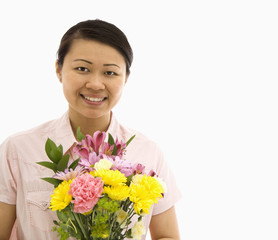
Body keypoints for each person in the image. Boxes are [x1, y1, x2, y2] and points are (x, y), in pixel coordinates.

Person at [0, 19, 181, 240]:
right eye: (82, 69)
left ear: (126, 78)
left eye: (110, 73)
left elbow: (167, 236)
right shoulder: (19, 150)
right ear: (58, 70)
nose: (95, 84)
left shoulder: (149, 153)